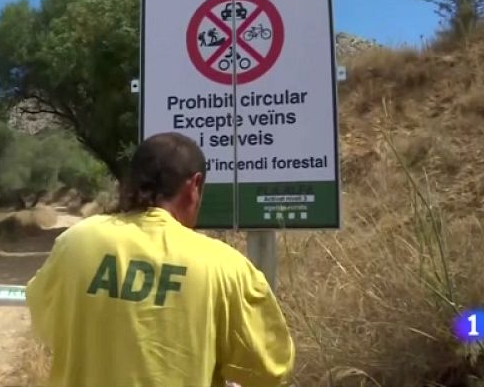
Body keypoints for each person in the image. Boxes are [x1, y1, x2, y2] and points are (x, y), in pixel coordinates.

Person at [25, 132, 294, 387]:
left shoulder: (76, 242)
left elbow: (46, 322)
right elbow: (270, 369)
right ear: (194, 185)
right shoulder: (225, 267)